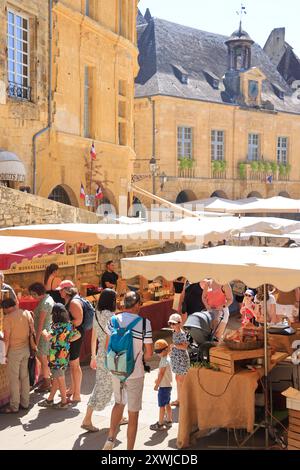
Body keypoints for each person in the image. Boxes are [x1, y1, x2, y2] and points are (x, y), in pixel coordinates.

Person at [103, 291, 153, 451]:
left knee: (118, 403)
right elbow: (150, 353)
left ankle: (110, 439)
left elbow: (106, 347)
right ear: (137, 304)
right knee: (133, 413)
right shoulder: (145, 323)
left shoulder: (113, 320)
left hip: (116, 370)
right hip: (135, 372)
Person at [81, 289, 127, 432]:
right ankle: (87, 419)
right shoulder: (112, 316)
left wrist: (93, 357)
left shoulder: (97, 313)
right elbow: (114, 338)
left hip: (101, 353)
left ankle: (118, 416)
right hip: (111, 354)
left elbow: (93, 337)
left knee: (110, 384)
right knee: (110, 385)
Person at [39, 303, 81, 409]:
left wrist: (43, 331)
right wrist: (67, 340)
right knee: (58, 377)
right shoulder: (68, 325)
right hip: (64, 355)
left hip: (55, 357)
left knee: (60, 378)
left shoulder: (55, 326)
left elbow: (48, 337)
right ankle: (50, 399)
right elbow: (78, 335)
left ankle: (64, 401)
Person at [2, 298, 33, 413]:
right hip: (26, 349)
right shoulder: (26, 313)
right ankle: (25, 403)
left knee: (14, 379)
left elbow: (6, 339)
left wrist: (4, 355)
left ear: (6, 308)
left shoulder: (8, 318)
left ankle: (14, 406)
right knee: (24, 377)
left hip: (14, 351)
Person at [56, 280, 84, 403]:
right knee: (72, 365)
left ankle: (77, 394)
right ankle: (73, 389)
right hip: (71, 335)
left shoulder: (73, 302)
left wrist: (63, 325)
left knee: (74, 365)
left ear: (66, 290)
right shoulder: (70, 301)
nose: (59, 292)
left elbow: (78, 320)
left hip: (75, 336)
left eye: (61, 290)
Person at [29, 282, 54, 393]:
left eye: (33, 294)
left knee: (43, 359)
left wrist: (36, 340)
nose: (32, 296)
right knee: (46, 359)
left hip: (43, 334)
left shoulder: (45, 303)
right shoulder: (48, 299)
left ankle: (47, 383)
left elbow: (40, 324)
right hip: (47, 332)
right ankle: (49, 380)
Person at [150, 339, 173, 431]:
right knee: (167, 403)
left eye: (159, 351)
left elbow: (161, 373)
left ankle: (160, 423)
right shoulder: (167, 358)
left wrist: (157, 384)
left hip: (163, 387)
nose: (158, 354)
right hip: (168, 385)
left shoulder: (164, 361)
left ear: (165, 350)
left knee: (162, 405)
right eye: (157, 352)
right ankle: (169, 420)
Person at [168, 313, 190, 407]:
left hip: (181, 359)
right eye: (170, 323)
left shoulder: (181, 333)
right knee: (178, 379)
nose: (172, 325)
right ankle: (179, 399)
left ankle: (183, 399)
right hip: (177, 359)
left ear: (179, 323)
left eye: (174, 323)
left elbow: (185, 346)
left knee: (181, 380)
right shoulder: (175, 332)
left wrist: (174, 346)